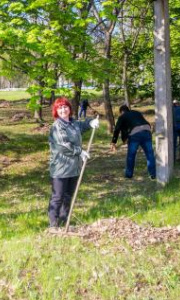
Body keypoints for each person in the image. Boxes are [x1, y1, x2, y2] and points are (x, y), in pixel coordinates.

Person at [48, 97, 99, 228]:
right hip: (60, 167)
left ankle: (64, 221)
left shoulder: (73, 123)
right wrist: (79, 152)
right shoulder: (57, 127)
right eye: (60, 108)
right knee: (58, 197)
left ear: (69, 109)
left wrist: (90, 122)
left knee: (68, 196)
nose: (63, 110)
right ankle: (53, 224)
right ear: (56, 111)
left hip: (74, 167)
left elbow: (82, 125)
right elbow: (63, 145)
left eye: (65, 107)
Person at [110, 105, 156, 179]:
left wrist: (113, 142)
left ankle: (129, 175)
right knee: (149, 154)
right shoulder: (136, 112)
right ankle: (153, 174)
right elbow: (128, 126)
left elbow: (117, 129)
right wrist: (125, 139)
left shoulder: (123, 116)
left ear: (121, 112)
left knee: (131, 155)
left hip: (135, 134)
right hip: (147, 130)